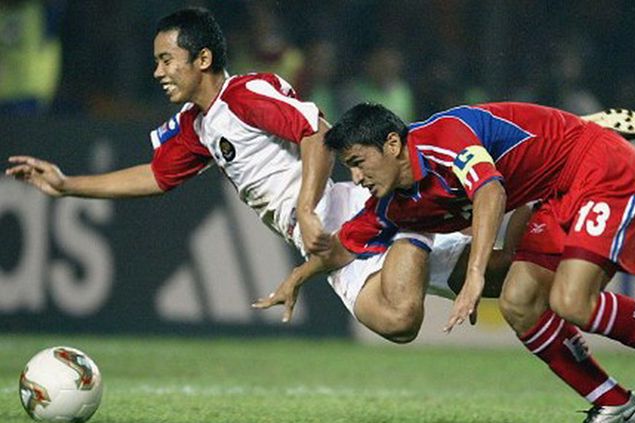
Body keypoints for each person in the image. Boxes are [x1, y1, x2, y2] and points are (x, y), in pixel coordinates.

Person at [3, 7, 520, 344]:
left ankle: (412, 226)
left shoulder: (246, 95)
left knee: (399, 318)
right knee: (505, 282)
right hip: (320, 237)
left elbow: (315, 131)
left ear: (202, 58)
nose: (158, 72)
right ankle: (530, 252)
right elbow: (156, 178)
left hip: (344, 214)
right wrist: (68, 185)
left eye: (167, 60)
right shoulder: (197, 126)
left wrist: (304, 207)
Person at [286, 102, 635, 422]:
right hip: (552, 195)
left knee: (572, 302)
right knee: (519, 301)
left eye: (359, 163)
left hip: (601, 168)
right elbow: (344, 245)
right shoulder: (394, 205)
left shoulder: (444, 137)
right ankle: (614, 402)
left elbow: (489, 191)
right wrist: (297, 277)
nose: (356, 178)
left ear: (393, 144)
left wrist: (474, 277)